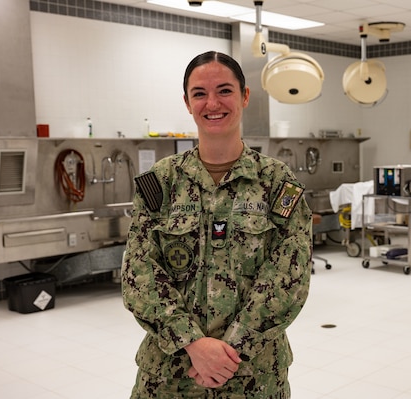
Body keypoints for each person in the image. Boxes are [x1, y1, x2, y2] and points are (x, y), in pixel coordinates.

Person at [121, 50, 313, 399]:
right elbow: (139, 274)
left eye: (225, 90)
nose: (213, 103)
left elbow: (289, 277)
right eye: (199, 93)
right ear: (187, 102)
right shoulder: (160, 182)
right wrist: (193, 343)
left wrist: (229, 351)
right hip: (170, 377)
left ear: (245, 96)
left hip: (254, 378)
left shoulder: (275, 182)